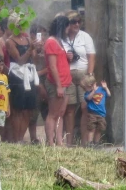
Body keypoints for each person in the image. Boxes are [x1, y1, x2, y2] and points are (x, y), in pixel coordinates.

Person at [62, 10, 96, 145]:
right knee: (69, 108)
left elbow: (91, 56)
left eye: (79, 21)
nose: (77, 24)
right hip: (68, 73)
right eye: (73, 22)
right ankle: (69, 142)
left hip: (83, 73)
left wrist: (90, 74)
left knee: (85, 106)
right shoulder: (62, 38)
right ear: (67, 24)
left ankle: (85, 141)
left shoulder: (85, 36)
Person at [6, 14, 38, 142]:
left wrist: (37, 50)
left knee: (28, 110)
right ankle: (16, 139)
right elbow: (20, 60)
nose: (22, 27)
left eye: (23, 24)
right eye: (19, 25)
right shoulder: (10, 41)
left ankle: (21, 137)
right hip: (17, 77)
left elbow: (34, 60)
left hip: (29, 76)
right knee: (18, 110)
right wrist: (30, 50)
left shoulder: (28, 39)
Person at [44, 15, 71, 146]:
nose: (68, 30)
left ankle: (60, 141)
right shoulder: (51, 42)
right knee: (53, 113)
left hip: (65, 82)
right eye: (67, 27)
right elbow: (53, 66)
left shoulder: (59, 41)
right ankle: (50, 141)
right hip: (57, 83)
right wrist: (59, 86)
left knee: (60, 113)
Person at [28, 22, 49, 143]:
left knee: (47, 110)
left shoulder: (48, 45)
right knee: (34, 110)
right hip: (33, 80)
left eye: (44, 34)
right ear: (32, 35)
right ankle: (33, 138)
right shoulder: (29, 46)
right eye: (40, 34)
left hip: (45, 78)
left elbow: (50, 65)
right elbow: (31, 64)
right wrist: (35, 50)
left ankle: (50, 137)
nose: (43, 37)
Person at [81, 74, 110, 146]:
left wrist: (106, 88)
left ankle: (97, 143)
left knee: (99, 129)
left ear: (91, 85)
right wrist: (93, 91)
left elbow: (109, 95)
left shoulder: (101, 90)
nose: (84, 90)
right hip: (92, 114)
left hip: (101, 114)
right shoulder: (88, 93)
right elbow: (88, 98)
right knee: (91, 128)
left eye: (85, 88)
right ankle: (90, 143)